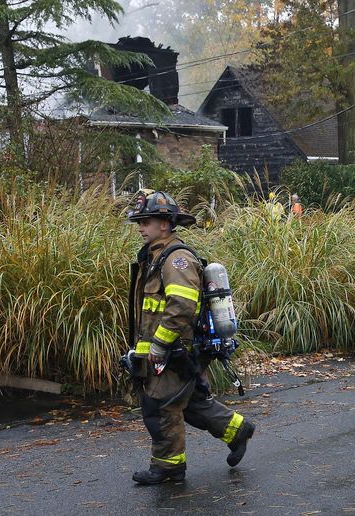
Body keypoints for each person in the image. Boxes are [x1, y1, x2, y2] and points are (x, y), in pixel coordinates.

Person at [126, 190, 255, 485]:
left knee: (161, 406)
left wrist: (159, 344)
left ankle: (168, 467)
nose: (141, 227)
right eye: (139, 222)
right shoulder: (155, 257)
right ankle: (238, 430)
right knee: (191, 403)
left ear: (166, 224)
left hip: (176, 349)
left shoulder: (177, 260)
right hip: (173, 349)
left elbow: (181, 306)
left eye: (146, 221)